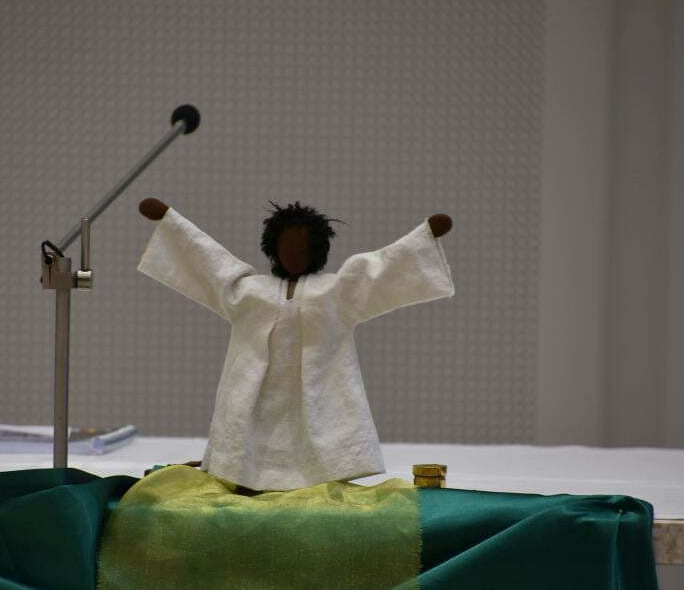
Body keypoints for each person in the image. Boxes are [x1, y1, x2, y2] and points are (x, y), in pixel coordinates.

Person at [137, 197, 454, 491]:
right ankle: (246, 478)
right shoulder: (251, 293)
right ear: (273, 247)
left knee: (317, 438)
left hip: (319, 391)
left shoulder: (334, 293)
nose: (294, 254)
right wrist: (170, 221)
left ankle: (321, 478)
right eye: (287, 246)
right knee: (251, 436)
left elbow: (378, 269)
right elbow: (211, 264)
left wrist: (423, 236)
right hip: (255, 393)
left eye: (302, 248)